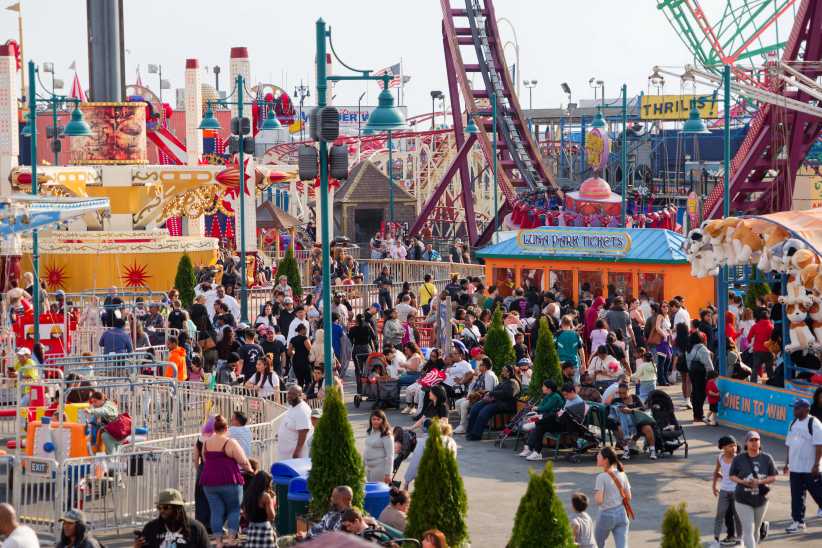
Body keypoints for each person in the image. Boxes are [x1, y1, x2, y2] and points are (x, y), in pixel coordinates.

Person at [200, 414, 253, 548]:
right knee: (234, 509)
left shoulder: (206, 442)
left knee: (216, 511)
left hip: (209, 481)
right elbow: (243, 461)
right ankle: (231, 540)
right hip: (230, 480)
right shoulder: (230, 442)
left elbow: (205, 459)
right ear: (226, 427)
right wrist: (251, 470)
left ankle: (218, 543)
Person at [729, 431, 776, 548]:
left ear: (760, 442)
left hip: (761, 500)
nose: (755, 443)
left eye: (757, 440)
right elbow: (732, 476)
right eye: (751, 440)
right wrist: (743, 482)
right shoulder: (738, 459)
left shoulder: (767, 458)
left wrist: (759, 482)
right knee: (748, 529)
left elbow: (773, 477)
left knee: (756, 530)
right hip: (742, 500)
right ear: (746, 443)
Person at [783, 398, 822, 533]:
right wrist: (787, 462)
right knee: (797, 496)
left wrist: (816, 465)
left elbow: (819, 445)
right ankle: (798, 522)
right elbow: (789, 444)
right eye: (794, 408)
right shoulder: (792, 423)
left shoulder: (814, 423)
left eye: (797, 408)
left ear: (806, 409)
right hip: (795, 468)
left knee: (819, 494)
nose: (794, 410)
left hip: (810, 468)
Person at [134, 489, 209, 548]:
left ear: (178, 508)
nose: (162, 511)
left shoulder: (196, 528)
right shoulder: (151, 528)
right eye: (159, 507)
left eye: (166, 507)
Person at [465, 364, 521, 441]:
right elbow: (496, 390)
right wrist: (488, 393)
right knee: (475, 408)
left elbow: (508, 394)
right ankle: (470, 432)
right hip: (496, 401)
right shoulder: (504, 381)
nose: (502, 372)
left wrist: (492, 394)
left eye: (504, 371)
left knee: (484, 411)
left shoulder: (513, 382)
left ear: (509, 372)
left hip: (505, 404)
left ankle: (476, 435)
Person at [593, 447, 632, 548]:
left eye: (599, 455)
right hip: (622, 514)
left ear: (605, 460)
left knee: (597, 544)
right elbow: (629, 497)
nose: (597, 456)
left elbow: (599, 501)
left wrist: (596, 494)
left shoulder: (601, 477)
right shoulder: (622, 474)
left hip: (605, 515)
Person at [518, 380, 565, 460]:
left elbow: (546, 407)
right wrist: (537, 409)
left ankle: (530, 448)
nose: (542, 388)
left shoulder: (555, 396)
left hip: (554, 420)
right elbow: (542, 406)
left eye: (544, 386)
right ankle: (533, 450)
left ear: (549, 389)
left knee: (538, 426)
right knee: (538, 426)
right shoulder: (548, 395)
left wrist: (537, 408)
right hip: (546, 418)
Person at [404, 421, 458, 487]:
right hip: (447, 478)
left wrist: (407, 481)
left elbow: (415, 463)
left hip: (429, 480)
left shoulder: (422, 442)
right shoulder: (451, 441)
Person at [453, 357, 498, 435]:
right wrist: (475, 379)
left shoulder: (489, 375)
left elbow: (488, 390)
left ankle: (463, 426)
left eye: (480, 365)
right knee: (457, 403)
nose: (478, 366)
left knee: (464, 404)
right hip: (474, 396)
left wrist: (475, 394)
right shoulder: (481, 374)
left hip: (482, 399)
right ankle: (466, 422)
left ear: (485, 366)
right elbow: (472, 386)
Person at [712, 435, 742, 547]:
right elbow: (717, 471)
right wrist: (714, 486)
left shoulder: (739, 459)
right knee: (720, 514)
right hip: (724, 491)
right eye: (730, 446)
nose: (734, 448)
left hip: (736, 492)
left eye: (734, 445)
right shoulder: (720, 457)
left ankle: (739, 540)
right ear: (723, 447)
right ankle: (716, 540)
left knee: (738, 516)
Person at [241, 470, 277, 547]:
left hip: (251, 529)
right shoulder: (265, 496)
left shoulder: (248, 494)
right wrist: (272, 500)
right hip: (264, 530)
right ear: (266, 483)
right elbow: (272, 516)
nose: (270, 486)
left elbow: (244, 514)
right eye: (270, 483)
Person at [277, 385, 313, 461]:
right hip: (286, 455)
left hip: (294, 457)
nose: (289, 396)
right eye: (288, 393)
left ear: (300, 395)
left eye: (293, 394)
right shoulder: (293, 406)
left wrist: (297, 453)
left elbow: (303, 432)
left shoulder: (303, 410)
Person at [686, 331, 714, 422]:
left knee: (695, 393)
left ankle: (696, 415)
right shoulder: (702, 348)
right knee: (701, 394)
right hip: (701, 373)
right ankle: (699, 415)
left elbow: (688, 362)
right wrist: (712, 374)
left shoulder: (689, 348)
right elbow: (708, 364)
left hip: (692, 372)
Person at [364, 410, 395, 484]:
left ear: (383, 420)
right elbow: (366, 449)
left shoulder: (386, 435)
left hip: (379, 469)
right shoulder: (368, 432)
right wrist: (362, 467)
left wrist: (388, 474)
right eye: (373, 419)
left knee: (375, 493)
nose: (375, 421)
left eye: (378, 419)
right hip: (368, 468)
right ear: (370, 420)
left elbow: (390, 456)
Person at [746, 308, 774, 382]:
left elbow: (749, 337)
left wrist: (750, 342)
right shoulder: (771, 327)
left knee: (755, 368)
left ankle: (753, 383)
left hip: (757, 350)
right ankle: (772, 382)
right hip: (768, 350)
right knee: (769, 369)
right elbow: (773, 339)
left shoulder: (755, 326)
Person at [556, 315, 585, 384]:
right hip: (574, 363)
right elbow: (581, 350)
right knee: (576, 385)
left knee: (561, 385)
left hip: (561, 363)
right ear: (571, 324)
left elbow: (553, 350)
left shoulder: (557, 335)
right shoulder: (576, 335)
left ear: (561, 323)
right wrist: (583, 363)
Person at [288, 323, 312, 388]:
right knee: (308, 382)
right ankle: (306, 395)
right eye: (306, 330)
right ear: (302, 330)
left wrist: (294, 352)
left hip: (296, 362)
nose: (306, 332)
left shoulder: (292, 339)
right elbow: (310, 350)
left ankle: (300, 394)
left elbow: (289, 352)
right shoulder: (305, 339)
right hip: (305, 362)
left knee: (300, 381)